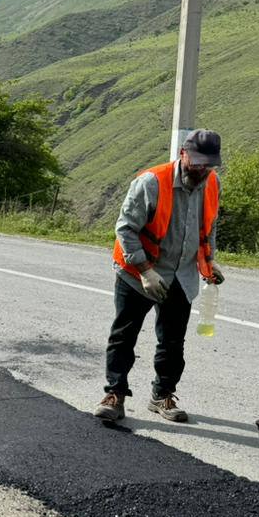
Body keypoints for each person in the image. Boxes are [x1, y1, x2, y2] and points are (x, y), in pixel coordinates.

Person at [94, 130, 225, 424]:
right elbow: (125, 229)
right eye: (198, 162)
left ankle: (162, 395)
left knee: (173, 342)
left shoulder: (211, 183)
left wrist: (210, 260)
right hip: (139, 273)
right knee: (123, 336)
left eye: (209, 164)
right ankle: (115, 394)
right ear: (183, 154)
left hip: (182, 275)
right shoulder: (152, 182)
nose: (203, 169)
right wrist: (144, 270)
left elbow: (209, 225)